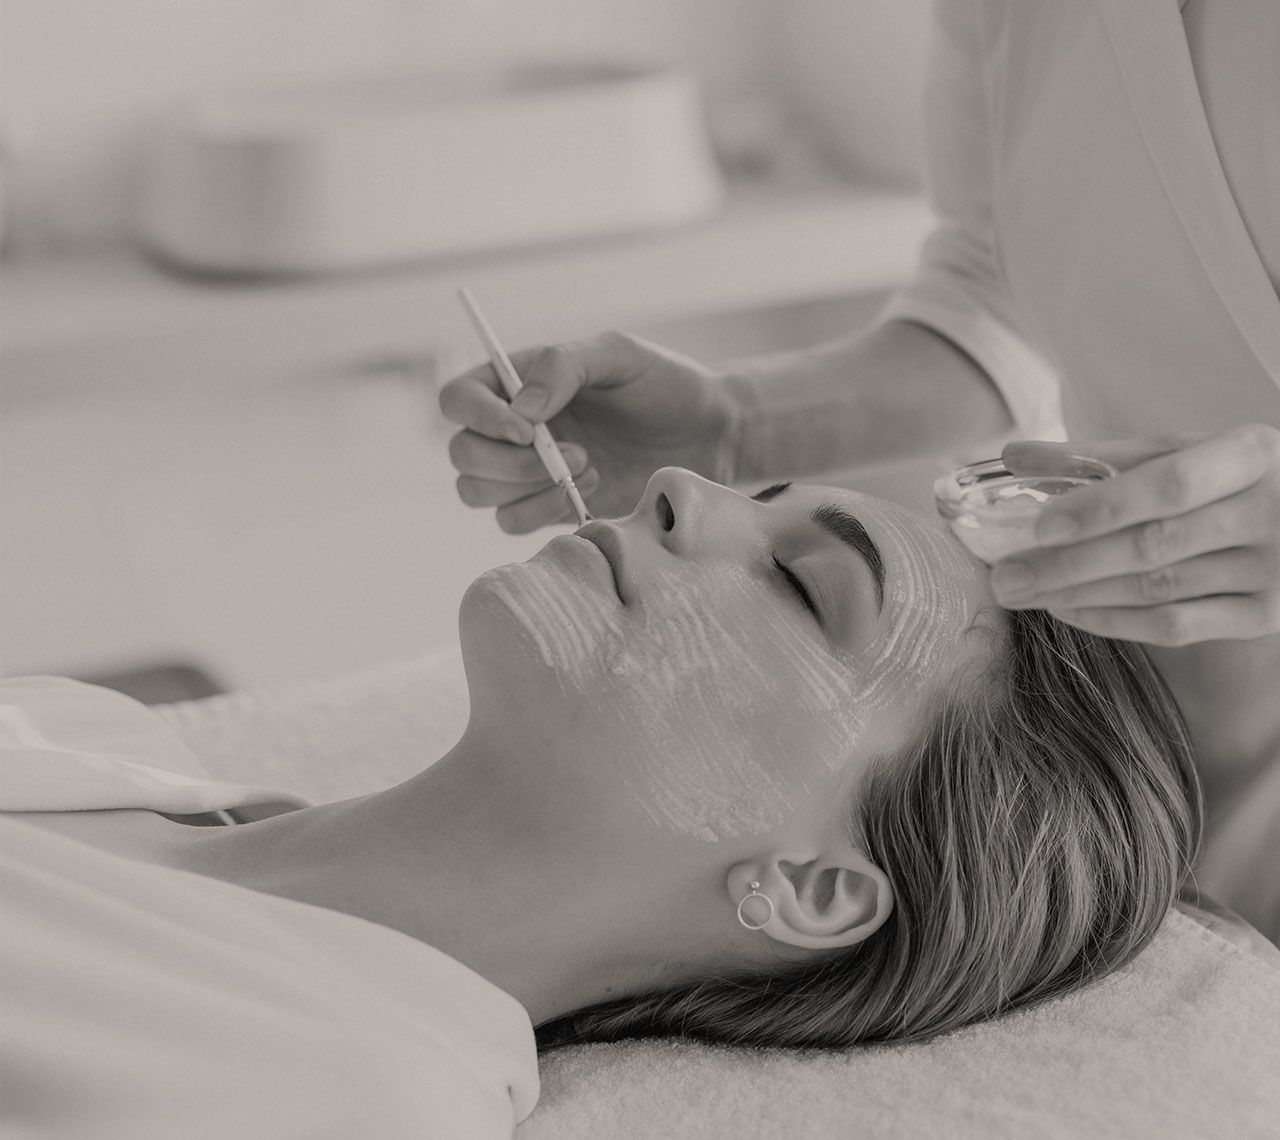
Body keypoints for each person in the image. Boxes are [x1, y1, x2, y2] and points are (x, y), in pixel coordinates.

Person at [8, 468, 1244, 1138]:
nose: (676, 487)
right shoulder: (92, 738)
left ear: (811, 885)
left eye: (800, 584)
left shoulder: (345, 1094)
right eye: (756, 490)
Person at [440, 0, 1280, 941]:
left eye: (806, 587)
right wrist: (731, 425)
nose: (675, 492)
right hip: (1134, 744)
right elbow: (993, 294)